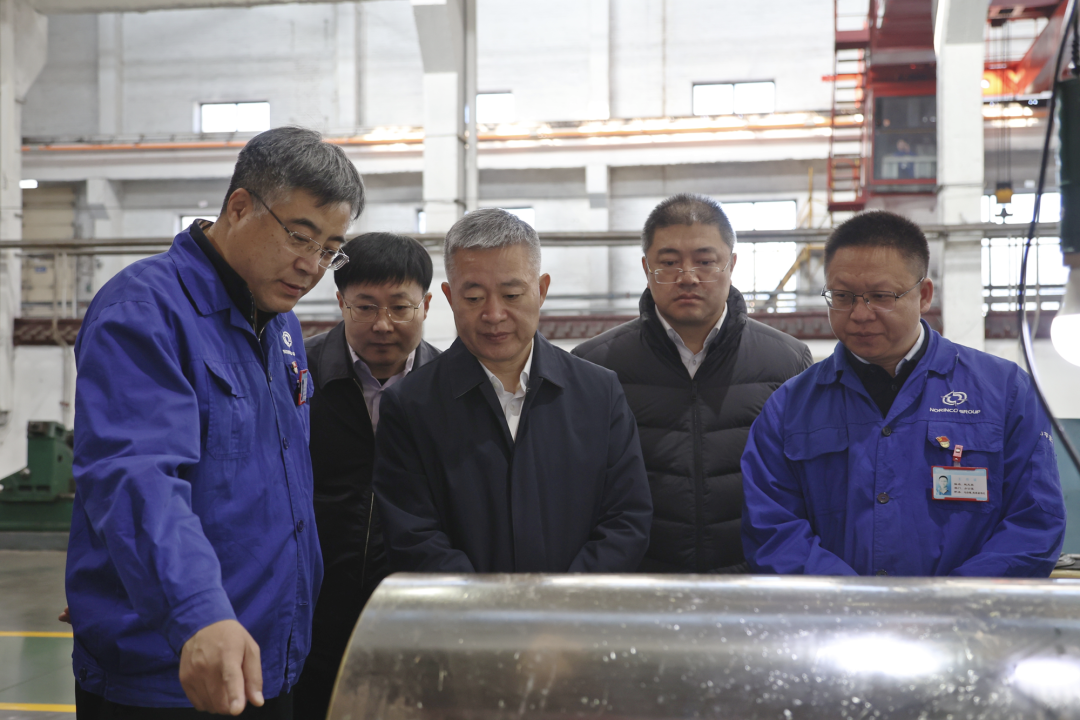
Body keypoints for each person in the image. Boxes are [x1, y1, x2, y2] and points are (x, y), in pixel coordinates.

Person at [66, 126, 364, 717]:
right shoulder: (144, 312)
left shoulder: (281, 327)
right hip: (175, 665)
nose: (311, 266)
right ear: (239, 206)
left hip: (270, 657)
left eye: (331, 249)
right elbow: (136, 477)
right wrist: (196, 611)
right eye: (300, 236)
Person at [741, 210, 1066, 577]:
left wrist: (952, 601)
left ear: (923, 295)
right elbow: (773, 531)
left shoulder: (1005, 392)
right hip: (833, 612)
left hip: (968, 612)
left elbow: (1034, 523)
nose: (860, 314)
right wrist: (855, 601)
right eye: (842, 296)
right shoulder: (789, 408)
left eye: (881, 296)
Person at [373, 208, 653, 573]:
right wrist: (486, 605)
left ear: (541, 290)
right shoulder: (411, 405)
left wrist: (566, 599)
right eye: (474, 298)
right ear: (450, 296)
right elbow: (413, 536)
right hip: (461, 609)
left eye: (512, 294)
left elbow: (626, 519)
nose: (494, 314)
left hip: (576, 607)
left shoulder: (599, 393)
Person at [573, 193, 811, 573]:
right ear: (646, 267)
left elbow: (804, 489)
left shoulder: (788, 362)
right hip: (641, 585)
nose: (687, 277)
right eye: (668, 263)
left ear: (731, 264)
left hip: (752, 582)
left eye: (705, 261)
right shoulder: (594, 366)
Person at [294, 233, 440, 720]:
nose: (382, 324)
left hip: (416, 614)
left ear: (426, 305)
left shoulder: (451, 388)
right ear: (340, 303)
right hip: (309, 609)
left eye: (400, 307)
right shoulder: (296, 376)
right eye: (365, 307)